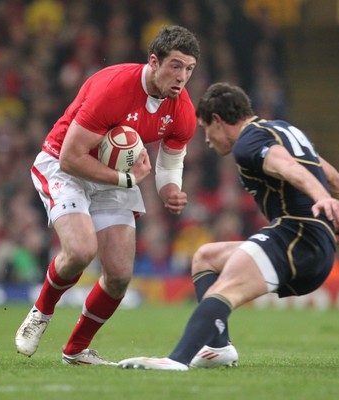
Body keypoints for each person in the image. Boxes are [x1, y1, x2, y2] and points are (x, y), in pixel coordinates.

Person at [118, 82, 339, 370]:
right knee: (206, 257)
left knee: (225, 290)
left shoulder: (248, 142)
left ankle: (177, 360)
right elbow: (336, 178)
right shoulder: (281, 129)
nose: (206, 140)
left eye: (205, 129)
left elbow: (287, 167)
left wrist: (323, 200)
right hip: (313, 242)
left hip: (298, 238)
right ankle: (218, 347)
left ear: (218, 120)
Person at [15, 25, 201, 365]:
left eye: (189, 68)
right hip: (62, 164)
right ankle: (41, 313)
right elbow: (71, 157)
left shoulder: (182, 109)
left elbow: (172, 162)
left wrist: (170, 189)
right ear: (154, 61)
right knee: (81, 250)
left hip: (115, 177)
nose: (182, 76)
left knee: (118, 275)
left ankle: (75, 351)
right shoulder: (113, 89)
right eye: (175, 65)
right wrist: (127, 180)